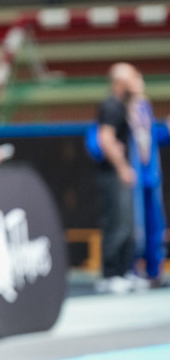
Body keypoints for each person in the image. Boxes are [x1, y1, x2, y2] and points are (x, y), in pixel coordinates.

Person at [94, 62, 139, 294]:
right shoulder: (111, 105)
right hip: (112, 175)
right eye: (133, 76)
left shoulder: (123, 105)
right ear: (121, 81)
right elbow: (105, 139)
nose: (137, 80)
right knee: (116, 224)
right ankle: (110, 275)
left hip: (120, 173)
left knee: (127, 224)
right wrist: (121, 167)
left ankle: (124, 271)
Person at [127, 68, 166, 287]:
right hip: (134, 178)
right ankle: (133, 268)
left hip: (150, 176)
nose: (140, 83)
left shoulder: (144, 106)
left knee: (155, 224)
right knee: (135, 226)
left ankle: (154, 270)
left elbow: (149, 137)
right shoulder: (121, 107)